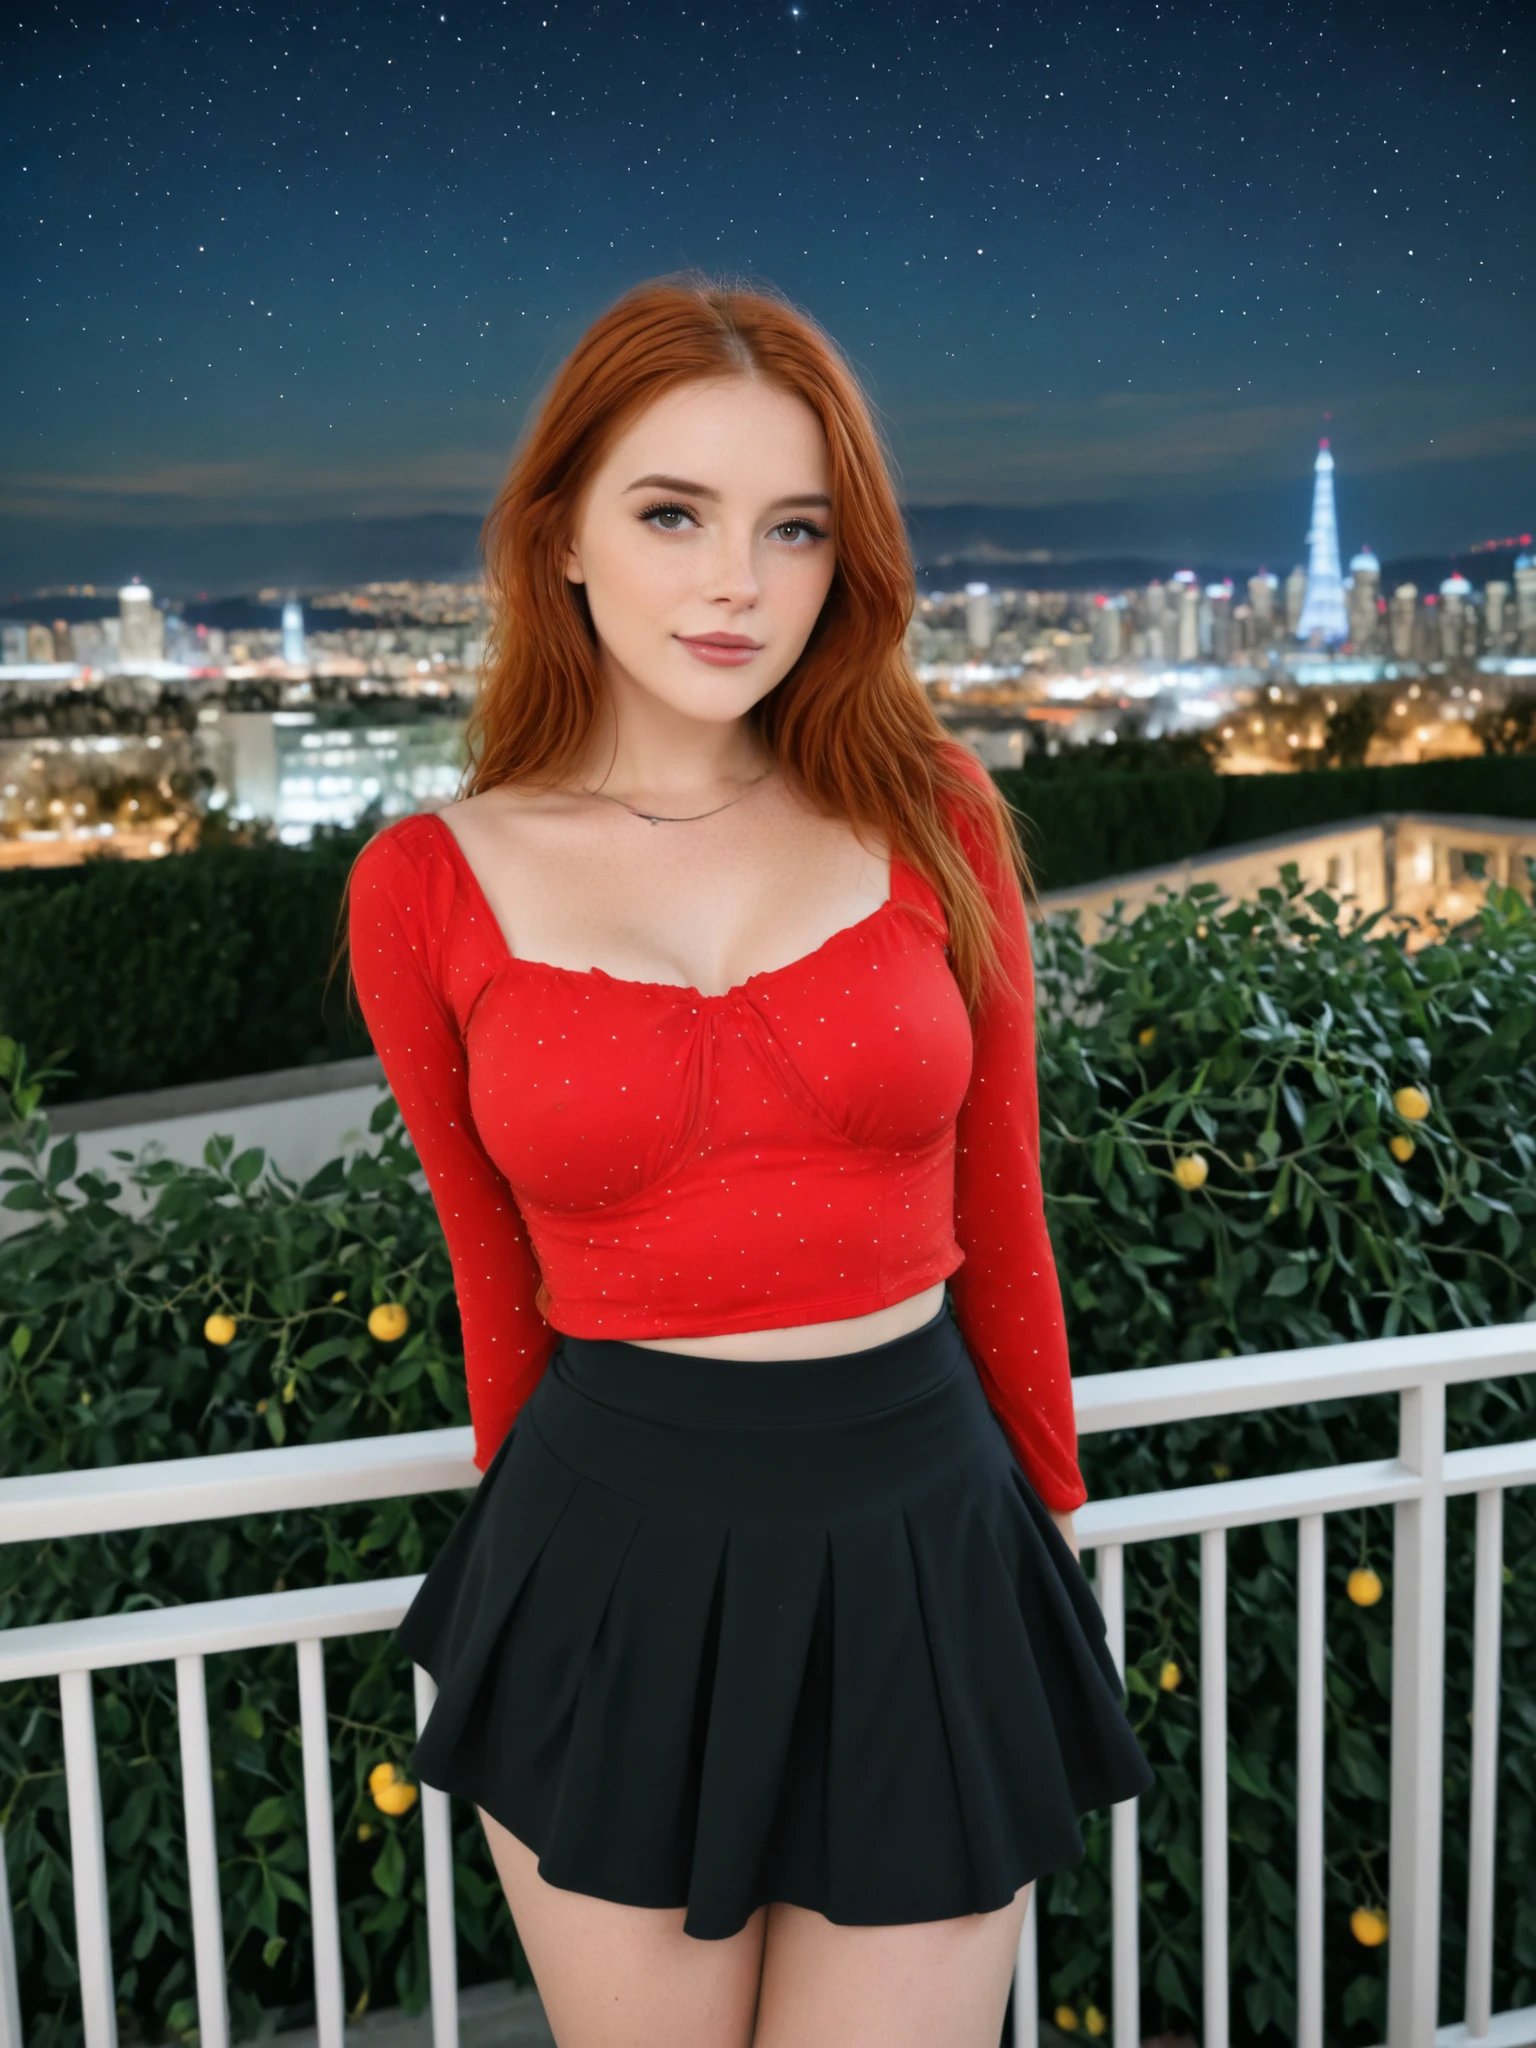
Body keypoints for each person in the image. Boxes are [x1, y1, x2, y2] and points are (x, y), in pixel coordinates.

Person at [346, 276, 1152, 2048]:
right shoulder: (428, 883)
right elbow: (495, 1283)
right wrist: (536, 1588)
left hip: (931, 1547)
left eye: (794, 527)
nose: (737, 581)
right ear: (559, 534)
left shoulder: (927, 806)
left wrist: (1039, 1556)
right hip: (607, 1557)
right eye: (671, 514)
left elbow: (1003, 1219)